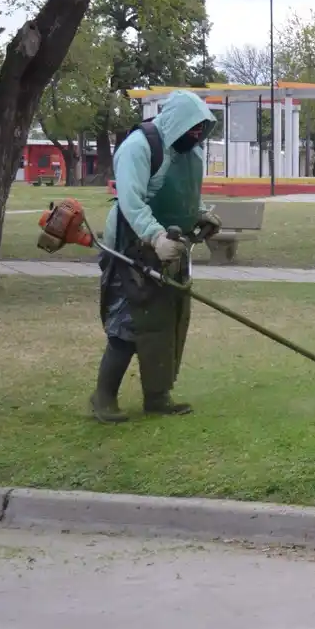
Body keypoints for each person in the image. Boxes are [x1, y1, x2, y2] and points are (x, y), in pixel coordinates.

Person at [91, 90, 220, 423]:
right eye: (192, 128)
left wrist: (200, 215)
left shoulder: (191, 151)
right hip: (130, 248)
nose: (197, 135)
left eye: (201, 129)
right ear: (176, 122)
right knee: (128, 324)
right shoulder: (138, 147)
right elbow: (131, 202)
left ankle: (158, 397)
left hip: (172, 250)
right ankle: (103, 397)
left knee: (166, 323)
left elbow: (187, 194)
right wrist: (155, 236)